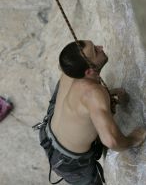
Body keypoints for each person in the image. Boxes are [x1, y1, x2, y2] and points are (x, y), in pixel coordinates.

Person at [37, 40, 146, 185]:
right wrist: (133, 139)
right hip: (69, 162)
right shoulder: (94, 93)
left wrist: (106, 95)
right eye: (95, 51)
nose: (100, 47)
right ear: (89, 71)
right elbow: (111, 140)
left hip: (48, 131)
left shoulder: (71, 68)